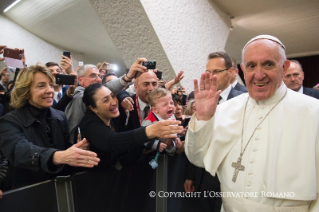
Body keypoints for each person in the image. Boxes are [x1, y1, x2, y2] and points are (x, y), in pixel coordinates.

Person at [185, 35, 319, 211]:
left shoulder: (313, 111)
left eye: (268, 64)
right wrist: (202, 119)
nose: (259, 74)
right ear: (242, 70)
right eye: (251, 66)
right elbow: (198, 158)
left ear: (284, 67)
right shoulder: (226, 109)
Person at [0, 63, 100, 191]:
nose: (50, 90)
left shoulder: (59, 116)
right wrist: (57, 156)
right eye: (41, 86)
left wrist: (76, 150)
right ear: (25, 92)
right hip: (25, 193)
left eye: (51, 85)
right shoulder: (9, 121)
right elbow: (19, 151)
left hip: (58, 190)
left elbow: (64, 150)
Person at [78, 83, 182, 169]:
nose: (113, 102)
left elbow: (121, 91)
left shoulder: (114, 115)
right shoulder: (90, 125)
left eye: (113, 96)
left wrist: (122, 96)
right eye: (106, 100)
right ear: (93, 108)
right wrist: (149, 131)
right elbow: (113, 141)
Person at [65, 58, 145, 143]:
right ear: (80, 80)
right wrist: (127, 77)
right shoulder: (77, 94)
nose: (99, 79)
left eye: (99, 76)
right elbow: (103, 90)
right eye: (93, 76)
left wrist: (122, 95)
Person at [141, 88, 182, 155]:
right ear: (155, 109)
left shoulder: (171, 116)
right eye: (165, 105)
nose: (170, 106)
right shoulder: (149, 121)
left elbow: (175, 128)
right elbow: (143, 138)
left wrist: (177, 137)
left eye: (171, 103)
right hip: (153, 154)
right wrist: (156, 145)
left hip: (168, 150)